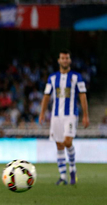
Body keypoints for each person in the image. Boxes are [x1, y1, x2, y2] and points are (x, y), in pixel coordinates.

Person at [39, 50, 89, 185]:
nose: (65, 60)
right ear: (59, 60)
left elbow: (82, 95)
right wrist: (42, 113)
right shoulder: (52, 78)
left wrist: (86, 115)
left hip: (71, 115)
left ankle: (72, 169)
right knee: (59, 145)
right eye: (62, 58)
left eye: (67, 58)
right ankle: (63, 177)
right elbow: (46, 96)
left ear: (70, 60)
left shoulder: (77, 77)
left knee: (67, 142)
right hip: (56, 116)